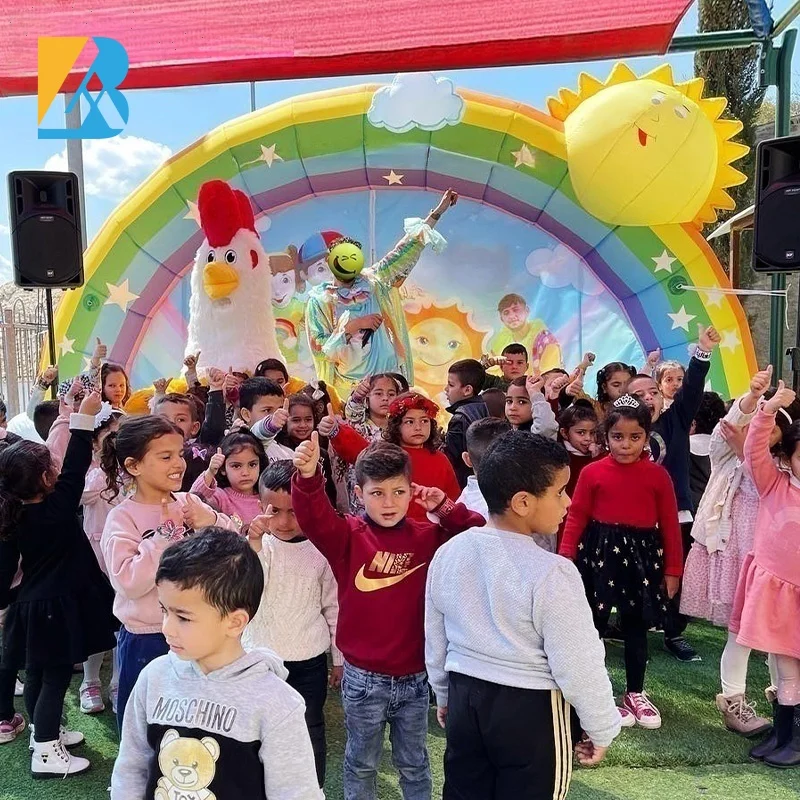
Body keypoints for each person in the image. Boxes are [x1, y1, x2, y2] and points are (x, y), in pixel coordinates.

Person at [426, 431, 620, 799]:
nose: (568, 502)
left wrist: (443, 693)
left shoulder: (450, 552)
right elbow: (579, 661)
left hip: (465, 697)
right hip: (530, 711)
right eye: (560, 492)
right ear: (522, 502)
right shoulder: (553, 573)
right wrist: (601, 726)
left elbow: (435, 635)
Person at [292, 433, 484, 800]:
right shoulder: (347, 535)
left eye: (398, 491)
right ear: (359, 493)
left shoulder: (428, 536)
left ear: (412, 490)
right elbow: (314, 518)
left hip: (415, 680)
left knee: (414, 763)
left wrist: (444, 507)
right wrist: (307, 477)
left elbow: (475, 537)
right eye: (377, 492)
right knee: (362, 761)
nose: (389, 502)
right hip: (363, 680)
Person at [111, 529, 322, 799]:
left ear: (234, 622)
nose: (167, 628)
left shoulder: (277, 704)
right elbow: (131, 767)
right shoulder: (154, 678)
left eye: (183, 617)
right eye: (165, 610)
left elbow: (296, 793)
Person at [0, 391, 118, 777]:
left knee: (37, 674)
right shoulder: (57, 506)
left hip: (31, 606)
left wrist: (70, 413)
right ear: (46, 478)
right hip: (56, 607)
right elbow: (77, 462)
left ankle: (43, 734)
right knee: (52, 679)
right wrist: (82, 420)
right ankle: (47, 753)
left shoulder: (13, 515)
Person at [99, 416, 237, 729]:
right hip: (147, 638)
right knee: (145, 726)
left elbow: (235, 549)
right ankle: (139, 779)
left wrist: (210, 521)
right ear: (134, 465)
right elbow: (128, 582)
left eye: (179, 453)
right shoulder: (122, 518)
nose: (179, 463)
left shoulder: (190, 503)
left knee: (196, 723)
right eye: (165, 457)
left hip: (202, 632)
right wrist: (161, 539)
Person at [560, 395, 683, 729]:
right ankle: (592, 692)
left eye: (634, 437)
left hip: (641, 559)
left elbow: (671, 526)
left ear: (647, 436)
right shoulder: (592, 472)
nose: (626, 444)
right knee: (592, 627)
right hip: (598, 555)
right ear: (606, 436)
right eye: (617, 437)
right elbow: (577, 516)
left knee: (635, 626)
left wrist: (673, 570)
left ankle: (635, 693)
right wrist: (566, 556)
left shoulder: (658, 477)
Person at [681, 366, 788, 737]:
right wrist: (752, 397)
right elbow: (736, 421)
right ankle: (733, 701)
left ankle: (785, 698)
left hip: (773, 564)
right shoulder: (726, 455)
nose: (762, 432)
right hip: (734, 558)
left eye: (772, 428)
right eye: (759, 423)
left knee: (779, 633)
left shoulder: (782, 469)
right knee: (740, 634)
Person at [244, 460, 341, 787]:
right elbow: (249, 587)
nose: (284, 521)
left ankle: (312, 788)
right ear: (260, 506)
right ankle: (259, 785)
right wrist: (255, 544)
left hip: (309, 661)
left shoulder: (322, 551)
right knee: (257, 728)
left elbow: (333, 607)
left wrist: (338, 660)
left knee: (309, 724)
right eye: (274, 511)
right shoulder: (259, 545)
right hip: (258, 658)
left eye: (294, 510)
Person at [627, 326, 721, 663]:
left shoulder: (675, 421)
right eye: (639, 394)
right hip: (633, 518)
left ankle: (674, 633)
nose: (648, 398)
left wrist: (703, 352)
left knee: (675, 573)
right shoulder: (620, 432)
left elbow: (692, 389)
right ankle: (636, 631)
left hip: (676, 513)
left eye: (653, 391)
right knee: (635, 575)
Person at [304, 189, 457, 394]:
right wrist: (351, 327)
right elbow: (320, 349)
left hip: (388, 381)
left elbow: (406, 248)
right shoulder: (320, 300)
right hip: (347, 389)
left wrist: (437, 212)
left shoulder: (376, 281)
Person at [731, 381, 800, 767]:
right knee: (786, 667)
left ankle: (795, 738)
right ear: (788, 460)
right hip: (778, 594)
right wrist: (768, 408)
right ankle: (785, 733)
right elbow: (755, 444)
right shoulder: (773, 483)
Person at [323, 392, 461, 520]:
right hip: (392, 528)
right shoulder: (386, 454)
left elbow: (454, 498)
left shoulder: (440, 459)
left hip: (434, 534)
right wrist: (336, 430)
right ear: (396, 426)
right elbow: (358, 448)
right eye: (410, 422)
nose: (418, 427)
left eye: (424, 421)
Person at [78, 405, 125, 716]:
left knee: (125, 624)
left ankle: (119, 682)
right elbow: (80, 495)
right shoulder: (93, 476)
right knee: (96, 624)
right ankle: (90, 681)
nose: (117, 443)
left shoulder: (131, 472)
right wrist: (103, 470)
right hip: (96, 562)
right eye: (111, 437)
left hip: (126, 560)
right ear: (95, 443)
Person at [153, 376, 226, 492]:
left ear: (194, 428)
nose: (171, 424)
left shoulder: (200, 448)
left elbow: (214, 427)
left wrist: (215, 390)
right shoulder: (149, 452)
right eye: (163, 419)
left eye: (180, 420)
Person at [191, 430, 267, 527]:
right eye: (236, 466)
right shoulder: (221, 497)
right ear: (223, 469)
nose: (245, 473)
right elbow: (193, 500)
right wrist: (210, 472)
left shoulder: (266, 496)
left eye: (252, 464)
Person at [557, 403, 603, 548]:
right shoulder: (560, 457)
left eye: (592, 432)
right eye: (581, 433)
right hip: (565, 520)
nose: (588, 438)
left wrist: (597, 458)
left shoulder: (601, 456)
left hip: (593, 522)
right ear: (565, 433)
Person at [444, 358, 489, 488]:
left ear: (467, 390)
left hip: (464, 482)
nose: (446, 389)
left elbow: (451, 458)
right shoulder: (482, 407)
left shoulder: (459, 419)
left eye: (451, 385)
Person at [689, 391, 726, 511]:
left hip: (690, 514)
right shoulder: (730, 448)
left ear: (693, 423)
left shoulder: (680, 449)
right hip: (719, 511)